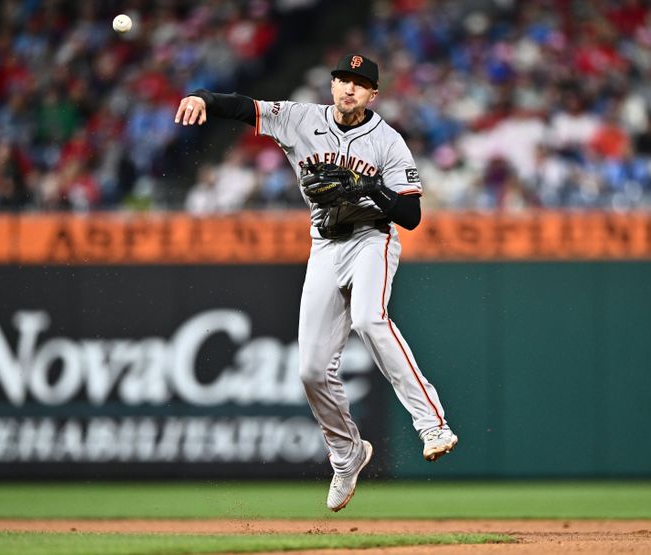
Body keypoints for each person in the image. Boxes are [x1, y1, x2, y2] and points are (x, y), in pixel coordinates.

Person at [174, 53, 457, 512]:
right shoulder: (300, 119)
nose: (349, 88)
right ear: (332, 86)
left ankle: (432, 424)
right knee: (310, 369)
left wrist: (369, 189)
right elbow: (245, 107)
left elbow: (410, 215)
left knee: (369, 318)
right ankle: (347, 455)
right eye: (343, 79)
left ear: (373, 95)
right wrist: (202, 96)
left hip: (372, 240)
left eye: (359, 84)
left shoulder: (387, 141)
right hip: (325, 245)